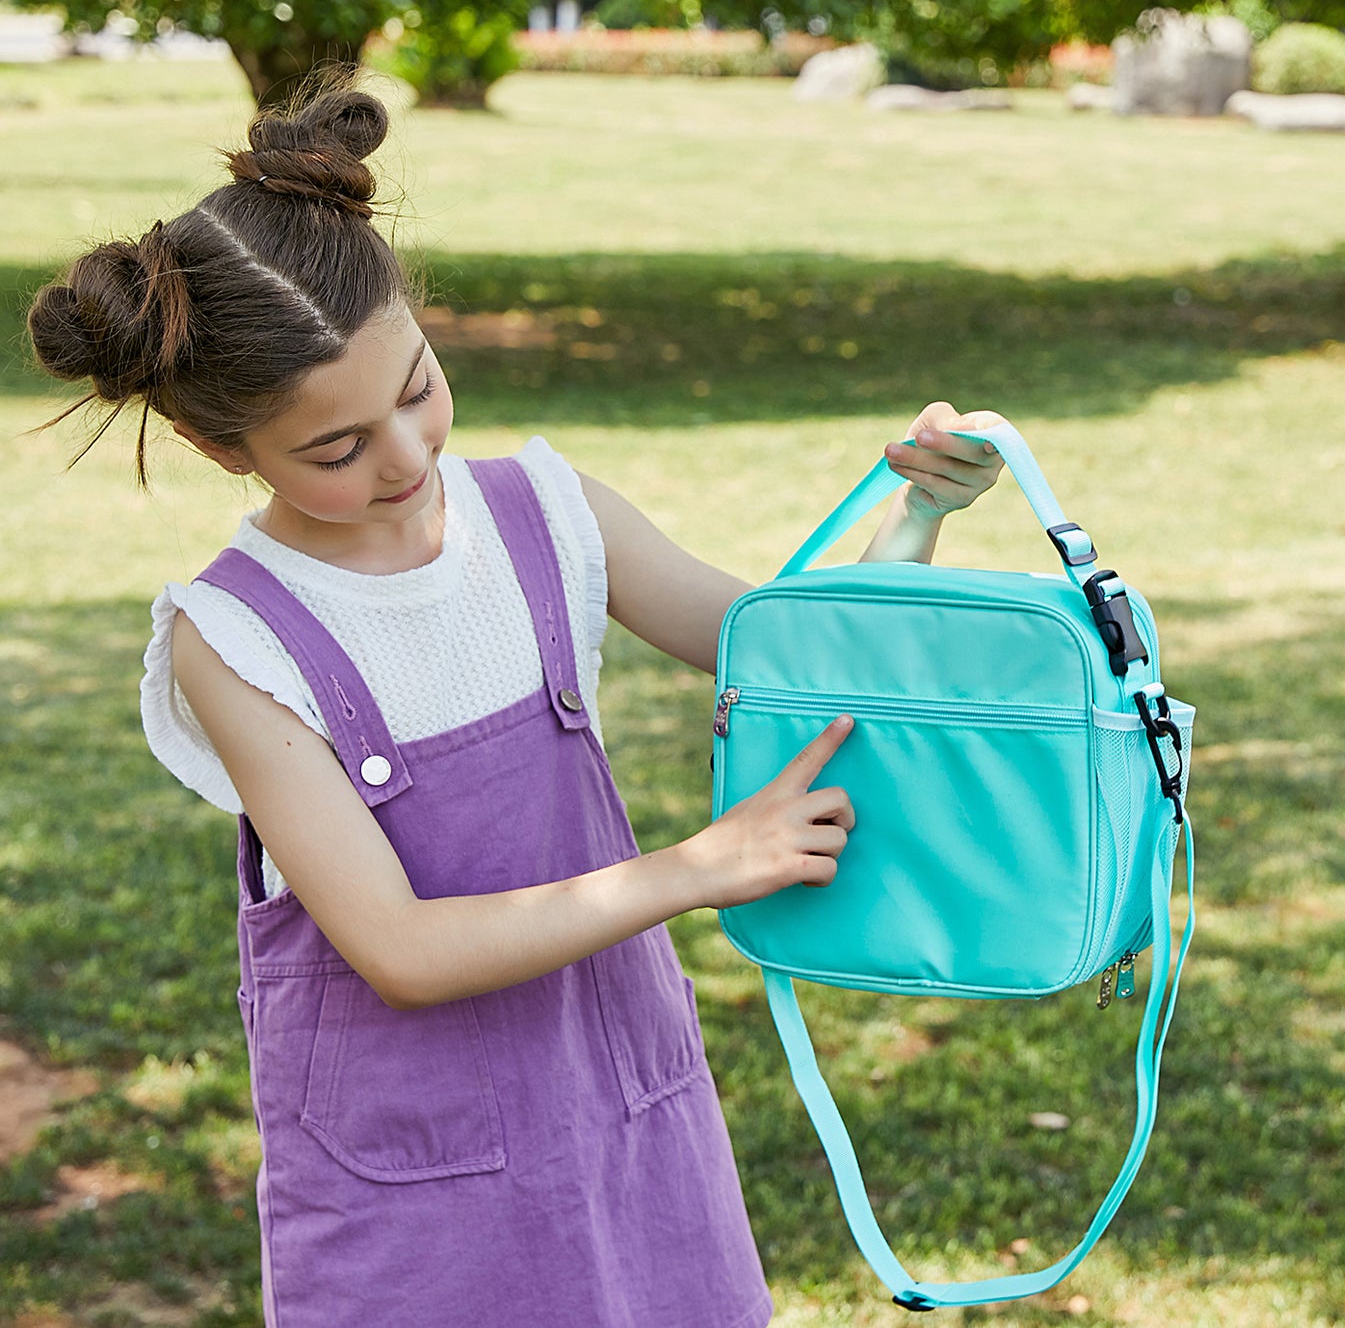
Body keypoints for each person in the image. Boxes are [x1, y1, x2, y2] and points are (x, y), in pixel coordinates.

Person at [28, 86, 1004, 1328]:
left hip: (624, 1112)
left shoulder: (546, 513)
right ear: (222, 446)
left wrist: (917, 510)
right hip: (411, 1195)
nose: (404, 456)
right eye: (335, 449)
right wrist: (700, 867)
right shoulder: (233, 638)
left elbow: (806, 660)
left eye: (417, 387)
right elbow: (401, 949)